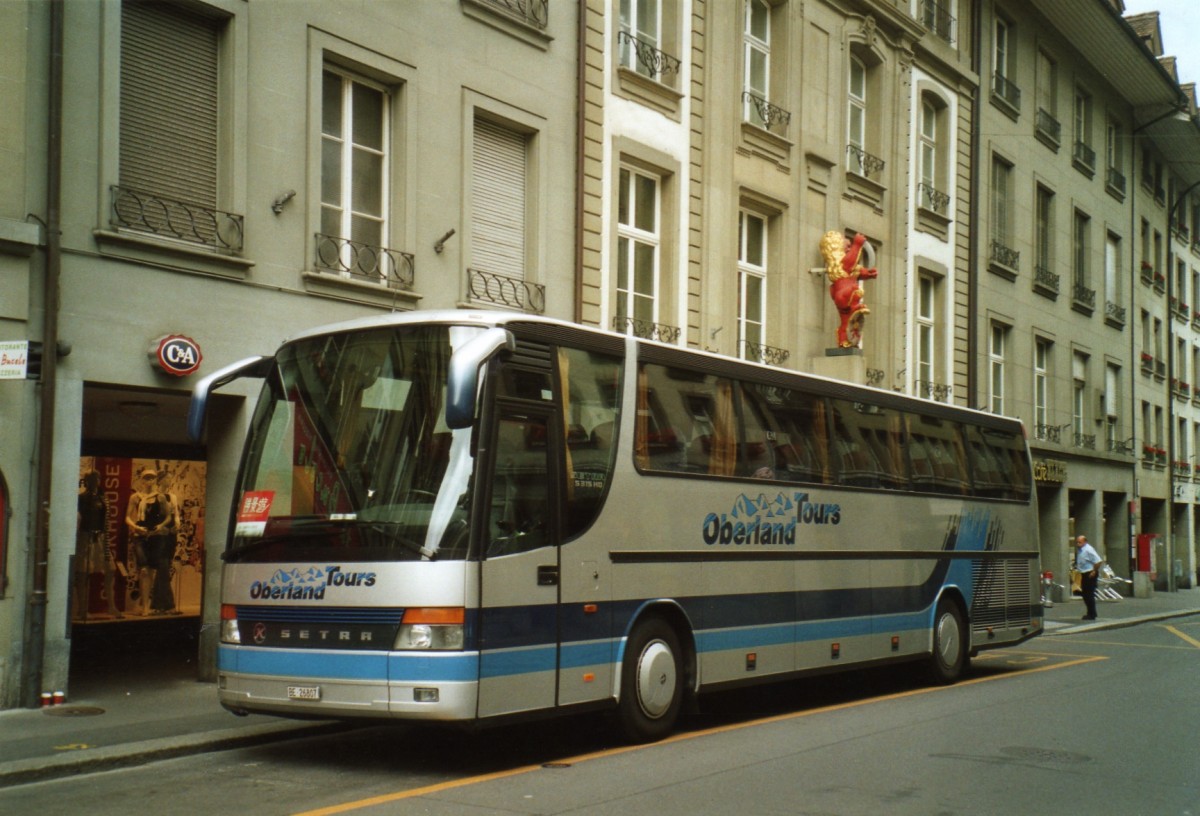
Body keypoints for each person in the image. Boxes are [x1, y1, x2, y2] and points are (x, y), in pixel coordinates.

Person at [125, 468, 181, 615]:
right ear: (142, 479)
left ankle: (154, 604)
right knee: (144, 570)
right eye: (146, 478)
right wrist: (135, 526)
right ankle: (146, 606)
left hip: (159, 536)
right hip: (142, 534)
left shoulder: (163, 497)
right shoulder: (136, 497)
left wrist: (163, 527)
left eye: (152, 478)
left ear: (156, 479)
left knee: (156, 570)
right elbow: (127, 517)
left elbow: (171, 515)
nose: (149, 480)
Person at [74, 469, 121, 620]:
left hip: (100, 538)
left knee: (110, 570)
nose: (96, 481)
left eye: (97, 478)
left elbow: (105, 521)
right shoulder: (81, 498)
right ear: (86, 481)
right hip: (85, 537)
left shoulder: (102, 498)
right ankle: (82, 609)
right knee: (83, 573)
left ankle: (112, 607)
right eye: (92, 479)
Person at [1074, 534, 1102, 621]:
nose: (1078, 544)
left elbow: (1098, 561)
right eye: (1077, 542)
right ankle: (1090, 613)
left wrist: (1094, 571)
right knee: (1086, 594)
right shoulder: (1081, 550)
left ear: (1085, 542)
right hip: (1084, 573)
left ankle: (1092, 614)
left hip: (1089, 573)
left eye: (1080, 542)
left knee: (1088, 594)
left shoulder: (1088, 549)